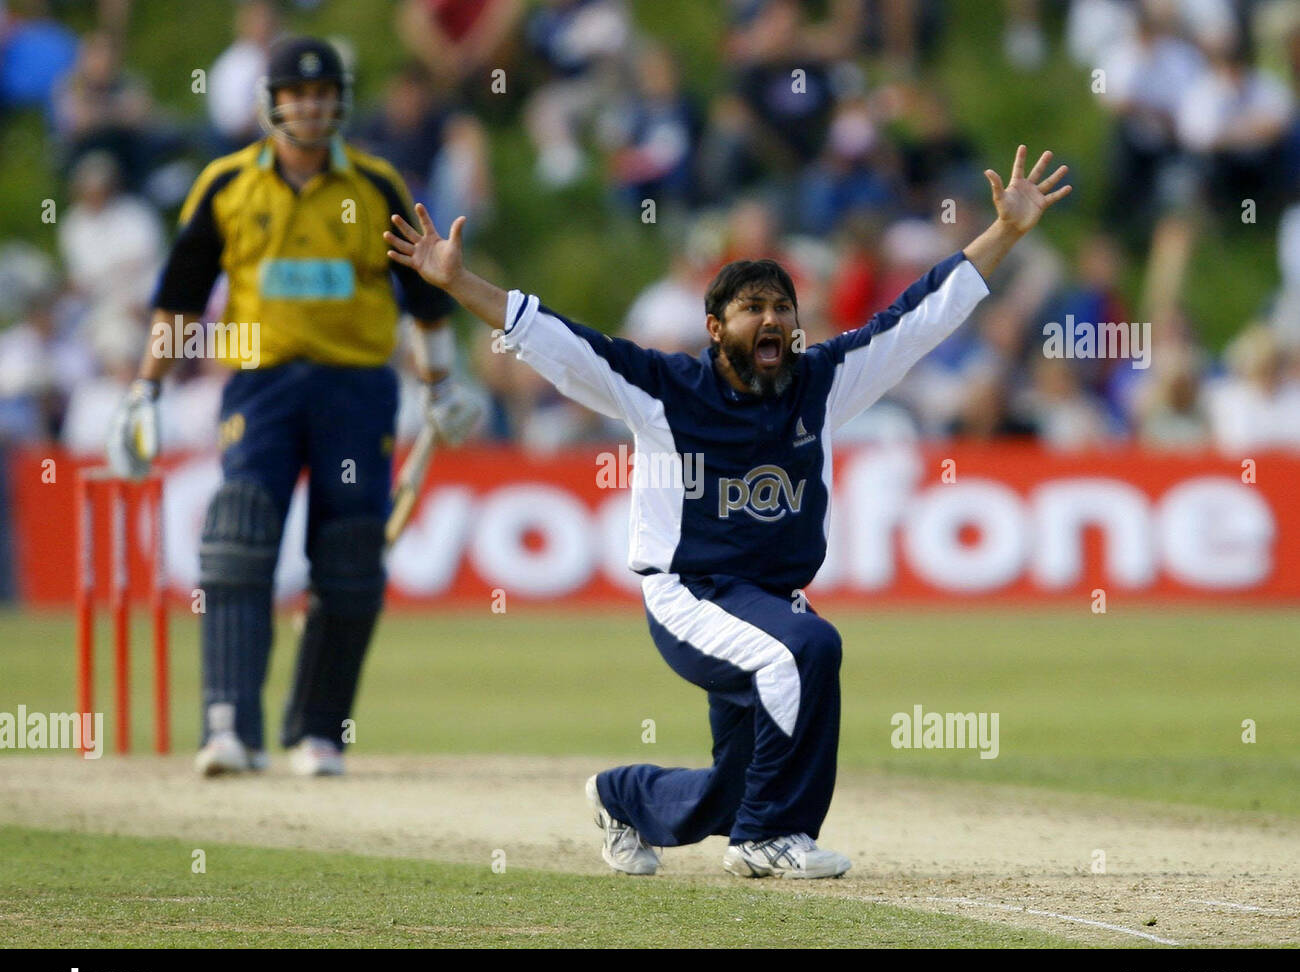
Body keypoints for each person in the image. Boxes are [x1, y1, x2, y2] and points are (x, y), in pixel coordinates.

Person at [385, 145, 1069, 878]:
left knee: (733, 786)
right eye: (751, 310)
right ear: (715, 328)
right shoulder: (665, 390)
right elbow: (554, 339)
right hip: (689, 594)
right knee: (809, 649)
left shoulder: (823, 382)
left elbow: (916, 319)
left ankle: (624, 798)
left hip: (767, 599)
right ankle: (769, 839)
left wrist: (1005, 233)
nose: (770, 320)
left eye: (782, 308)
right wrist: (459, 284)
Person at [106, 37, 482, 778]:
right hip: (261, 382)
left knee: (348, 556)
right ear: (270, 102)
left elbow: (424, 301)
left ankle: (320, 734)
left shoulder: (375, 185)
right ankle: (228, 728)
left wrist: (441, 388)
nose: (309, 106)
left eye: (321, 93)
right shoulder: (227, 185)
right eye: (294, 94)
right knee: (240, 535)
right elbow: (179, 299)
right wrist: (143, 391)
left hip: (356, 387)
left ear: (339, 100)